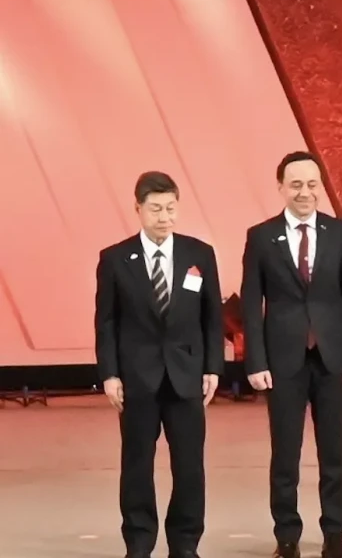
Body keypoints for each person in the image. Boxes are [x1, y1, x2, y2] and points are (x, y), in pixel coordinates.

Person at [240, 151, 342, 558]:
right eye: (296, 184)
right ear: (281, 187)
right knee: (285, 455)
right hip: (282, 362)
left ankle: (335, 536)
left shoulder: (339, 232)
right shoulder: (261, 236)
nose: (305, 192)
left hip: (333, 360)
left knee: (335, 455)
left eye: (312, 184)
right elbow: (251, 302)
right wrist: (256, 361)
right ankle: (287, 538)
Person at [94, 171, 223, 558]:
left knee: (189, 466)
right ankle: (139, 543)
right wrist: (110, 374)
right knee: (137, 465)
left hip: (187, 376)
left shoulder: (199, 254)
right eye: (155, 209)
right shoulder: (115, 259)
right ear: (138, 209)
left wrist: (213, 367)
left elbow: (212, 317)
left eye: (170, 208)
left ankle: (185, 543)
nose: (164, 217)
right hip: (137, 378)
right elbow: (106, 321)